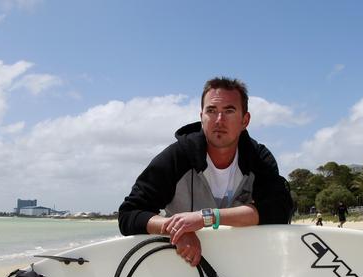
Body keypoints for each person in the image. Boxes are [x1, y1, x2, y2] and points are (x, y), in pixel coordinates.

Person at [118, 77, 294, 266]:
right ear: (202, 116)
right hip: (184, 263)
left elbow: (280, 210)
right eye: (211, 110)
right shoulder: (178, 157)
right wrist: (176, 230)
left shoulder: (258, 158)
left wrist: (207, 218)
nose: (219, 120)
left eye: (229, 111)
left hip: (245, 262)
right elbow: (129, 214)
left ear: (245, 120)